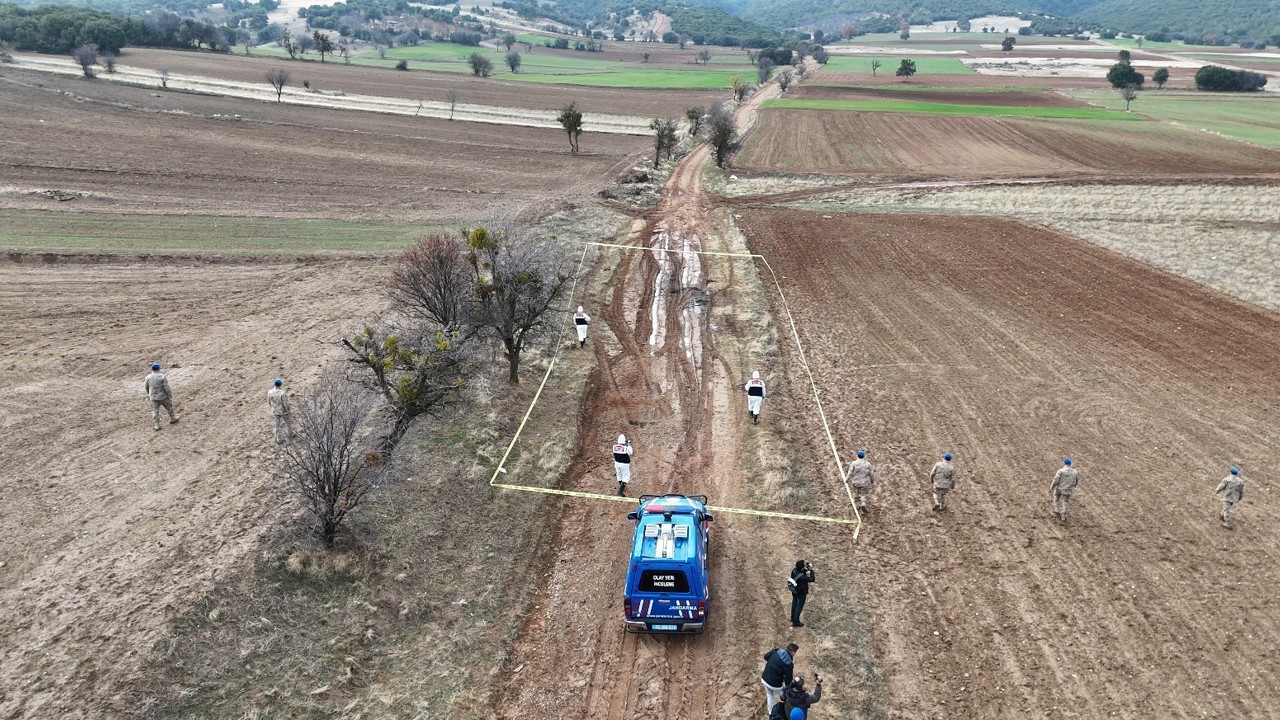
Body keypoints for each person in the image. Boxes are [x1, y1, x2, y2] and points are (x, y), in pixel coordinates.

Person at [760, 643, 798, 719]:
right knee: (785, 696)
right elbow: (788, 681)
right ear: (793, 652)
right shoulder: (789, 664)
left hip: (764, 679)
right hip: (775, 685)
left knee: (770, 695)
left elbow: (766, 657)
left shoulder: (776, 650)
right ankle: (785, 713)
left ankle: (771, 714)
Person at [143, 362, 178, 431]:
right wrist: (169, 395)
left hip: (153, 397)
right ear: (159, 369)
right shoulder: (162, 377)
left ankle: (157, 425)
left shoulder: (148, 377)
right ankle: (173, 418)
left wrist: (149, 394)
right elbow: (166, 387)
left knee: (155, 411)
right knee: (169, 407)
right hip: (163, 396)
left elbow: (146, 387)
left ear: (152, 369)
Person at [1049, 457, 1079, 522]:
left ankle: (1056, 508)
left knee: (1056, 496)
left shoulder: (1061, 471)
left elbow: (1056, 479)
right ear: (1070, 464)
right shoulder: (1074, 472)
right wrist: (1074, 486)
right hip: (1068, 489)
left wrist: (1052, 486)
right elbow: (1076, 480)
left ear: (1064, 463)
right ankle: (1063, 516)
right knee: (1065, 501)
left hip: (1059, 488)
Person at [788, 559, 815, 627]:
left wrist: (806, 569)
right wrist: (811, 571)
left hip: (795, 590)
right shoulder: (803, 577)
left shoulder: (794, 571)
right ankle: (796, 621)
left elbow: (800, 572)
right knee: (799, 607)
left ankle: (792, 617)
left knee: (794, 603)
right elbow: (812, 579)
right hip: (801, 593)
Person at [267, 377, 292, 444]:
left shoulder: (270, 392)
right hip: (283, 411)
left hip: (275, 411)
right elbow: (285, 403)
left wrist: (272, 408)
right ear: (280, 384)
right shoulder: (282, 393)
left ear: (274, 384)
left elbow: (269, 402)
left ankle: (278, 439)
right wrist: (288, 410)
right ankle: (290, 435)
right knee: (288, 423)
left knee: (277, 425)